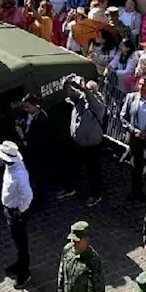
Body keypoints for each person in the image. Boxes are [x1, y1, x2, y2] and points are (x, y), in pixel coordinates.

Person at [60, 76, 105, 207]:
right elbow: (68, 92)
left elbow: (92, 100)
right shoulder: (80, 100)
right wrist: (68, 82)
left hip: (92, 145)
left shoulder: (99, 105)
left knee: (93, 171)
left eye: (90, 91)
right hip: (77, 143)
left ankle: (95, 195)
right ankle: (70, 187)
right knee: (72, 167)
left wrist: (85, 89)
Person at [0, 140, 33, 288]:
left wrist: (20, 211)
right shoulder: (10, 168)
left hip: (17, 213)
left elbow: (28, 195)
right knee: (17, 241)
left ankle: (24, 272)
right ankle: (19, 264)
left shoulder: (19, 174)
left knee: (21, 242)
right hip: (11, 209)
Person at [15, 94, 51, 201]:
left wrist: (22, 135)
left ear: (35, 105)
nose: (26, 109)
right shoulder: (28, 115)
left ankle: (40, 198)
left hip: (38, 153)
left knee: (38, 176)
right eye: (25, 107)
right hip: (28, 152)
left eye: (28, 107)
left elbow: (38, 139)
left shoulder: (42, 119)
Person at [57, 220, 103, 292]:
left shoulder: (93, 260)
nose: (73, 243)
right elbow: (61, 275)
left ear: (86, 240)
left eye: (76, 240)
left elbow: (98, 290)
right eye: (72, 239)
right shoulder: (67, 250)